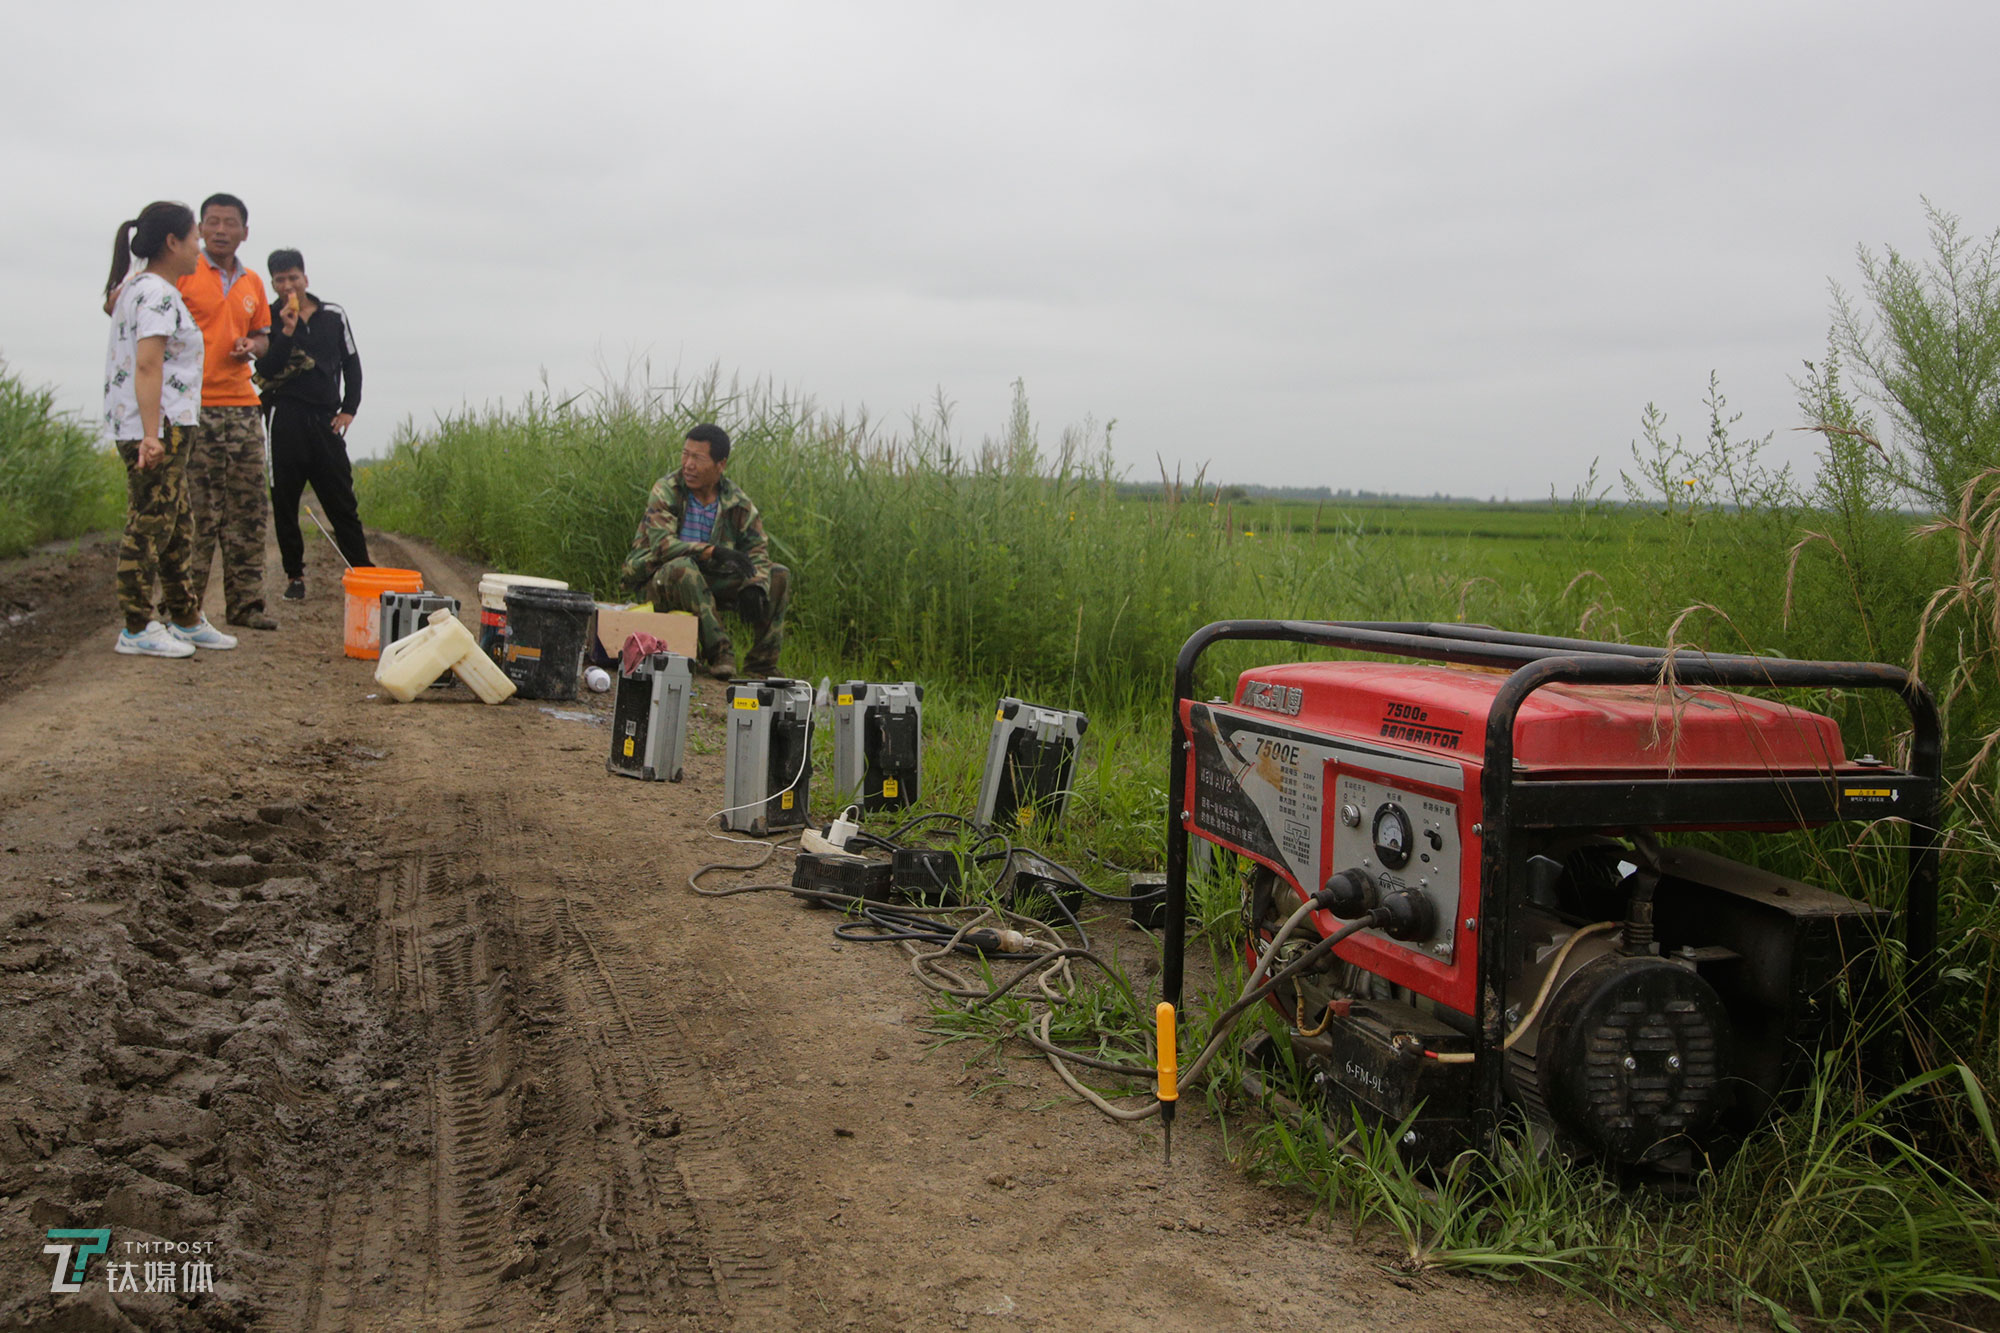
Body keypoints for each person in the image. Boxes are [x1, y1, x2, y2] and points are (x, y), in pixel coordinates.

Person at [100, 202, 240, 658]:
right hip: (157, 427)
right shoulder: (156, 293)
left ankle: (185, 616)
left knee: (180, 523)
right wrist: (150, 434)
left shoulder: (140, 288)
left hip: (166, 424)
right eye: (196, 237)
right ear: (172, 243)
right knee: (150, 524)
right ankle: (136, 627)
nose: (200, 246)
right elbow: (147, 363)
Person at [177, 193, 277, 631]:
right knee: (197, 512)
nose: (221, 230)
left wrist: (251, 347)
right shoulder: (181, 274)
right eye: (212, 222)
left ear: (245, 232)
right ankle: (185, 609)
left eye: (230, 222)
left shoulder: (253, 281)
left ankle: (245, 606)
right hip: (193, 406)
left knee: (249, 509)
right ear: (199, 229)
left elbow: (263, 338)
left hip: (243, 407)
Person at [621, 424, 789, 680]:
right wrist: (712, 551)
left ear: (720, 465)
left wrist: (756, 585)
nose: (688, 464)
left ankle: (760, 666)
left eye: (697, 458)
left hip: (708, 580)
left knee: (778, 575)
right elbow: (663, 546)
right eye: (685, 454)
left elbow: (757, 551)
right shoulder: (667, 490)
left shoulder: (737, 502)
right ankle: (720, 653)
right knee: (684, 567)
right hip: (658, 579)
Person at [254, 248, 370, 598]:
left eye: (293, 277)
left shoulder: (333, 315)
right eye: (280, 280)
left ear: (305, 278)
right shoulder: (268, 317)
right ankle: (294, 577)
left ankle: (362, 571)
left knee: (341, 499)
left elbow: (351, 362)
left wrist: (349, 408)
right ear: (272, 283)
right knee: (285, 500)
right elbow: (266, 369)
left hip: (325, 418)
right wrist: (286, 331)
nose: (288, 285)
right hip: (284, 417)